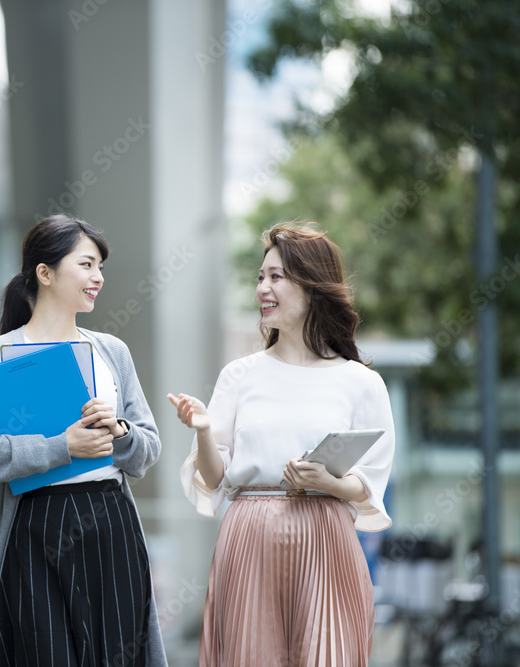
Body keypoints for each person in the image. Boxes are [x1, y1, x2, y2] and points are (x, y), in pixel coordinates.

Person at [169, 222, 395, 666]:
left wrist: (328, 481)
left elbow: (368, 486)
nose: (263, 289)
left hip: (327, 536)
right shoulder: (240, 374)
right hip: (250, 533)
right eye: (260, 277)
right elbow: (216, 480)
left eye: (277, 277)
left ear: (312, 288)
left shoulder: (361, 383)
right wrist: (201, 428)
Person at [0, 214, 168, 666]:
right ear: (45, 272)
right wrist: (62, 446)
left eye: (100, 268)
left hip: (111, 523)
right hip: (34, 526)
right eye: (87, 265)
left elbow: (149, 448)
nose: (98, 278)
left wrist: (121, 433)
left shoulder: (111, 351)